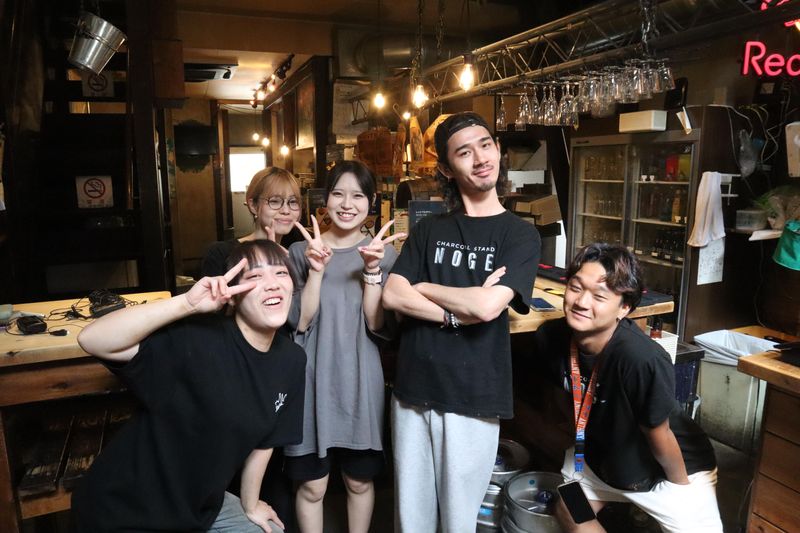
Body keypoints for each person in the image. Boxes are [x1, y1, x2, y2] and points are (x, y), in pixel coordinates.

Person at [71, 240, 306, 532]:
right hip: (127, 510)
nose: (272, 284)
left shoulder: (292, 359)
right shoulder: (197, 341)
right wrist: (186, 304)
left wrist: (250, 504)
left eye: (281, 273)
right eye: (255, 276)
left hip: (199, 507)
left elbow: (265, 441)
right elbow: (92, 339)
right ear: (232, 297)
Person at [381, 111, 541, 532]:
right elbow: (392, 294)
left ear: (498, 150)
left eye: (486, 145)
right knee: (410, 521)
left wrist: (425, 286)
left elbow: (487, 307)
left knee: (458, 523)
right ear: (448, 169)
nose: (481, 158)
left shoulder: (520, 235)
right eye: (464, 152)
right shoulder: (429, 229)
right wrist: (456, 313)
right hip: (413, 391)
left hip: (473, 396)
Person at [533, 243, 722, 533]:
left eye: (599, 296)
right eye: (575, 287)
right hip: (599, 463)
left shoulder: (640, 358)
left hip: (672, 469)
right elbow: (564, 400)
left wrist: (680, 491)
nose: (581, 302)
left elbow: (660, 434)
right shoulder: (551, 337)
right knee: (571, 511)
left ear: (624, 308)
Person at [284, 160, 405, 533]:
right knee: (312, 485)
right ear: (325, 199)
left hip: (360, 379)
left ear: (372, 201)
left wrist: (372, 270)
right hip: (311, 378)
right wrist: (317, 269)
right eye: (338, 193)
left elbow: (376, 324)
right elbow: (300, 321)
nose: (347, 204)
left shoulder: (384, 254)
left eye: (357, 195)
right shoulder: (299, 251)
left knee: (359, 481)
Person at [202, 167, 304, 277]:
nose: (286, 210)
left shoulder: (298, 253)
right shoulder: (221, 254)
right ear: (253, 206)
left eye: (293, 201)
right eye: (274, 201)